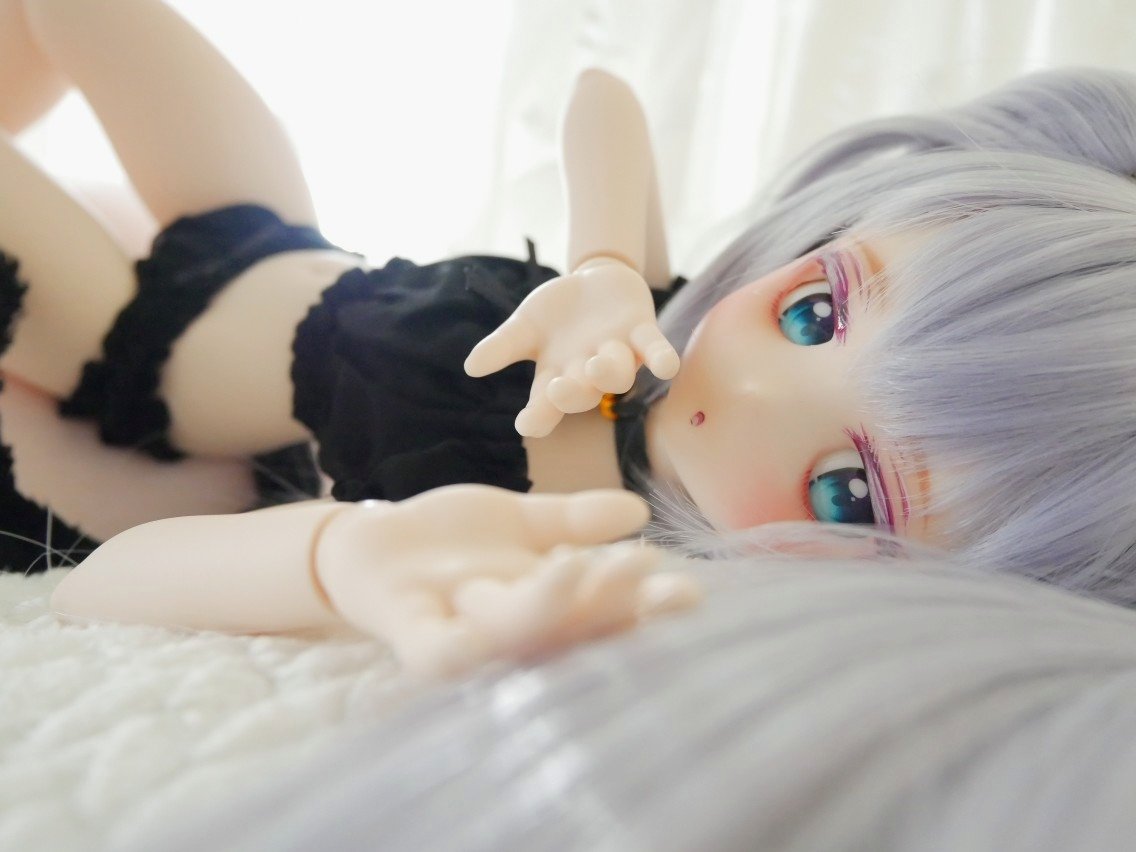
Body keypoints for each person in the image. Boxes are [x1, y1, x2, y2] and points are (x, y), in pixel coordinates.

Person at [4, 0, 1136, 673]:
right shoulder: (646, 331)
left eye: (845, 492)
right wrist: (604, 267)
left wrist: (339, 561)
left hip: (133, 358)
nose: (746, 393)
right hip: (270, 239)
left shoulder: (562, 532)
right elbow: (603, 97)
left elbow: (102, 584)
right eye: (815, 315)